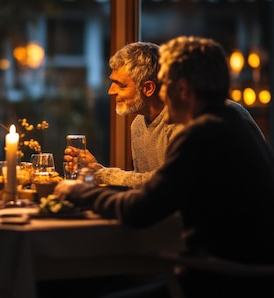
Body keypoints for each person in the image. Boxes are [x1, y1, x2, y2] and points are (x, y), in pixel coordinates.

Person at [58, 35, 274, 298]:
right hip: (259, 282)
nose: (160, 95)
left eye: (164, 84)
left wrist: (79, 192)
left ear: (182, 89)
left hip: (229, 289)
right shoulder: (228, 119)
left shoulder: (201, 133)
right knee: (101, 289)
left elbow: (140, 209)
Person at [64, 41, 262, 188]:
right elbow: (147, 186)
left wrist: (101, 174)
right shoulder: (139, 125)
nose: (110, 91)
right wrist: (96, 171)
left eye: (121, 85)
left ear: (148, 88)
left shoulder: (194, 120)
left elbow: (168, 183)